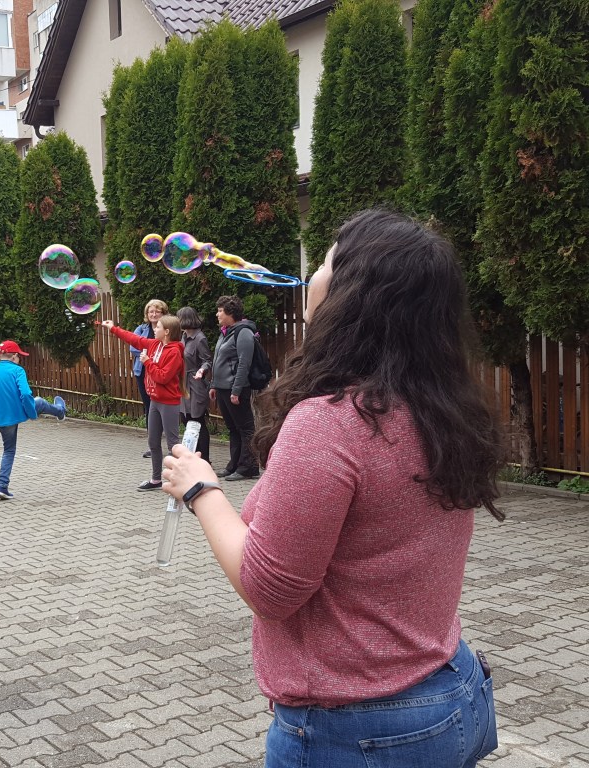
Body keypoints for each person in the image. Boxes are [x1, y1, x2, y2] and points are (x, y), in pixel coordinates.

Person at [161, 209, 502, 768]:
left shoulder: (332, 421)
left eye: (324, 261)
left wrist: (202, 490)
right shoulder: (440, 408)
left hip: (360, 730)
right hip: (453, 692)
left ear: (353, 294)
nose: (313, 274)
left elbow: (270, 589)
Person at [0, 340, 66, 500]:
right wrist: (31, 413)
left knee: (8, 450)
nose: (19, 359)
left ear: (0, 355)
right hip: (19, 411)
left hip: (3, 417)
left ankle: (2, 486)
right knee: (40, 402)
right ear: (14, 356)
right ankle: (60, 411)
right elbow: (26, 394)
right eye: (19, 356)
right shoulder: (17, 370)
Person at [99, 316, 184, 491]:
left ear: (167, 332)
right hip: (154, 400)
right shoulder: (154, 344)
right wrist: (113, 328)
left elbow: (163, 377)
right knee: (153, 442)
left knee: (173, 445)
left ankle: (178, 480)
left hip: (169, 403)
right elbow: (134, 339)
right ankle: (156, 479)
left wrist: (147, 362)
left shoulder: (174, 352)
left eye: (158, 327)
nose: (154, 329)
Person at [210, 295, 260, 481]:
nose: (217, 314)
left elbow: (244, 364)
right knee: (233, 428)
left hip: (235, 389)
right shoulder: (226, 332)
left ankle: (248, 467)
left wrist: (236, 390)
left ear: (230, 313)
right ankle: (234, 465)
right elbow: (218, 360)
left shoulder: (243, 332)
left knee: (246, 428)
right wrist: (214, 384)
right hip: (223, 388)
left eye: (220, 311)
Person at [131, 300, 169, 459]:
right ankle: (153, 445)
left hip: (160, 373)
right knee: (149, 408)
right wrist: (153, 351)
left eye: (157, 311)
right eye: (151, 312)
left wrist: (147, 351)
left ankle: (172, 445)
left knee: (164, 409)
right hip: (143, 373)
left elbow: (169, 348)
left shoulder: (167, 329)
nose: (153, 314)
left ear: (163, 313)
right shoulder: (141, 329)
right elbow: (133, 347)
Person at [176, 307, 212, 464]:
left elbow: (207, 360)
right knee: (186, 419)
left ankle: (204, 459)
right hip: (183, 383)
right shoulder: (183, 336)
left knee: (197, 421)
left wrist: (202, 371)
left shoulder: (199, 338)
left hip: (195, 384)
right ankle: (193, 455)